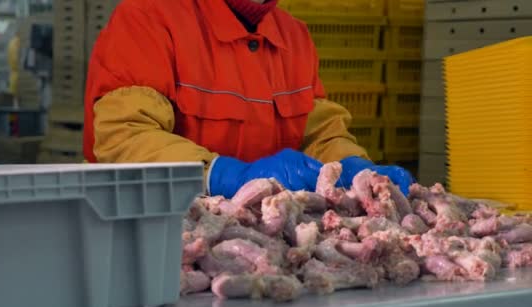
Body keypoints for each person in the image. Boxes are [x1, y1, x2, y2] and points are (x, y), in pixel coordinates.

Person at [84, 0, 414, 197]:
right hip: (163, 236)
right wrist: (222, 176)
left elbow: (320, 134)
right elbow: (123, 136)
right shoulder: (149, 17)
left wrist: (352, 165)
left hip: (265, 241)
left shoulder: (293, 36)